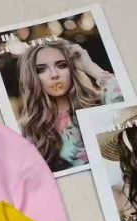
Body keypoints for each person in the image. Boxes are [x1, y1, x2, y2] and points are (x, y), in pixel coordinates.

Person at [14, 37, 123, 171]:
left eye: (61, 65)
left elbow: (132, 108)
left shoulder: (101, 103)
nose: (54, 75)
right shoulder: (28, 129)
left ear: (72, 68)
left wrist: (90, 67)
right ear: (32, 77)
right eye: (41, 70)